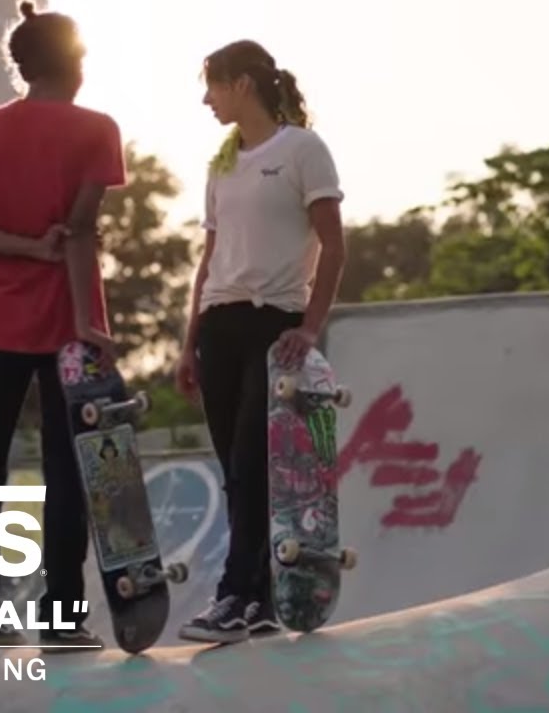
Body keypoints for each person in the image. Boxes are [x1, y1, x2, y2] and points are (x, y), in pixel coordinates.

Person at [0, 0, 125, 650]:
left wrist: (17, 246)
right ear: (72, 63)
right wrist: (86, 322)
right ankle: (63, 613)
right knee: (66, 466)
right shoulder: (96, 128)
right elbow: (79, 232)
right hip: (68, 324)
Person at [175, 40, 346, 643]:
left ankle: (237, 597)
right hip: (220, 324)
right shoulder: (221, 162)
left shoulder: (303, 149)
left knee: (253, 461)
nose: (206, 98)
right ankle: (265, 599)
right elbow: (210, 257)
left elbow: (334, 244)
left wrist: (309, 327)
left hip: (274, 326)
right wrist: (188, 338)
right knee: (235, 469)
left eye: (213, 86)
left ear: (242, 84)